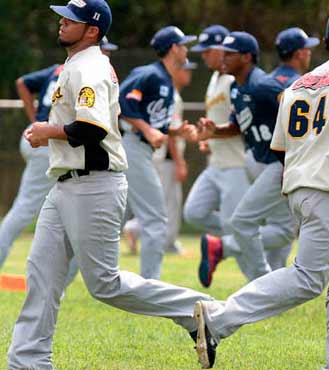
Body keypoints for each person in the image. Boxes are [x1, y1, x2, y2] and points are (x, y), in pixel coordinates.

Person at [8, 2, 218, 368]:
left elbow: (91, 130)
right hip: (65, 184)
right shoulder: (77, 63)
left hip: (94, 185)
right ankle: (28, 362)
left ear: (92, 30)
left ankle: (198, 312)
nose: (62, 21)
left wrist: (46, 132)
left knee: (105, 284)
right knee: (40, 274)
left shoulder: (89, 67)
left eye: (71, 18)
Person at [190, 6, 329, 369]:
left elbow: (281, 146)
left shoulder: (303, 81)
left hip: (301, 185)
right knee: (308, 279)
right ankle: (219, 318)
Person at [196, 27, 319, 285]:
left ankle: (260, 282)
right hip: (259, 162)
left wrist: (294, 161)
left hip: (278, 165)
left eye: (231, 54)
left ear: (247, 57)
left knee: (244, 223)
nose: (224, 58)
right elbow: (239, 124)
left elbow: (297, 122)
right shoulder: (236, 88)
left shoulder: (264, 86)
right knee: (281, 230)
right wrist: (214, 131)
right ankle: (268, 285)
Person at [0, 34, 117, 283]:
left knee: (58, 209)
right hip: (48, 142)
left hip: (40, 137)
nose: (107, 55)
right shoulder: (89, 70)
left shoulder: (60, 69)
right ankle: (60, 281)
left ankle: (57, 280)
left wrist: (34, 120)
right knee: (25, 209)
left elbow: (22, 82)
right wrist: (39, 124)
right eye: (106, 50)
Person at [118, 25, 198, 279]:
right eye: (183, 45)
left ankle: (76, 272)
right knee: (155, 218)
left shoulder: (166, 82)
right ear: (174, 49)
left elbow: (155, 124)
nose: (186, 49)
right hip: (131, 145)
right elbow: (121, 103)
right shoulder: (149, 74)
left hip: (140, 149)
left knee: (112, 219)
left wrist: (176, 132)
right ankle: (150, 286)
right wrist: (147, 130)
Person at [183, 25, 253, 266]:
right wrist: (208, 139)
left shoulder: (235, 80)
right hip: (216, 163)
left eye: (208, 50)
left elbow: (239, 124)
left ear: (224, 49)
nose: (203, 56)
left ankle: (257, 290)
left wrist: (212, 134)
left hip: (237, 164)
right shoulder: (214, 79)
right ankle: (229, 235)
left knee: (239, 234)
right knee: (193, 212)